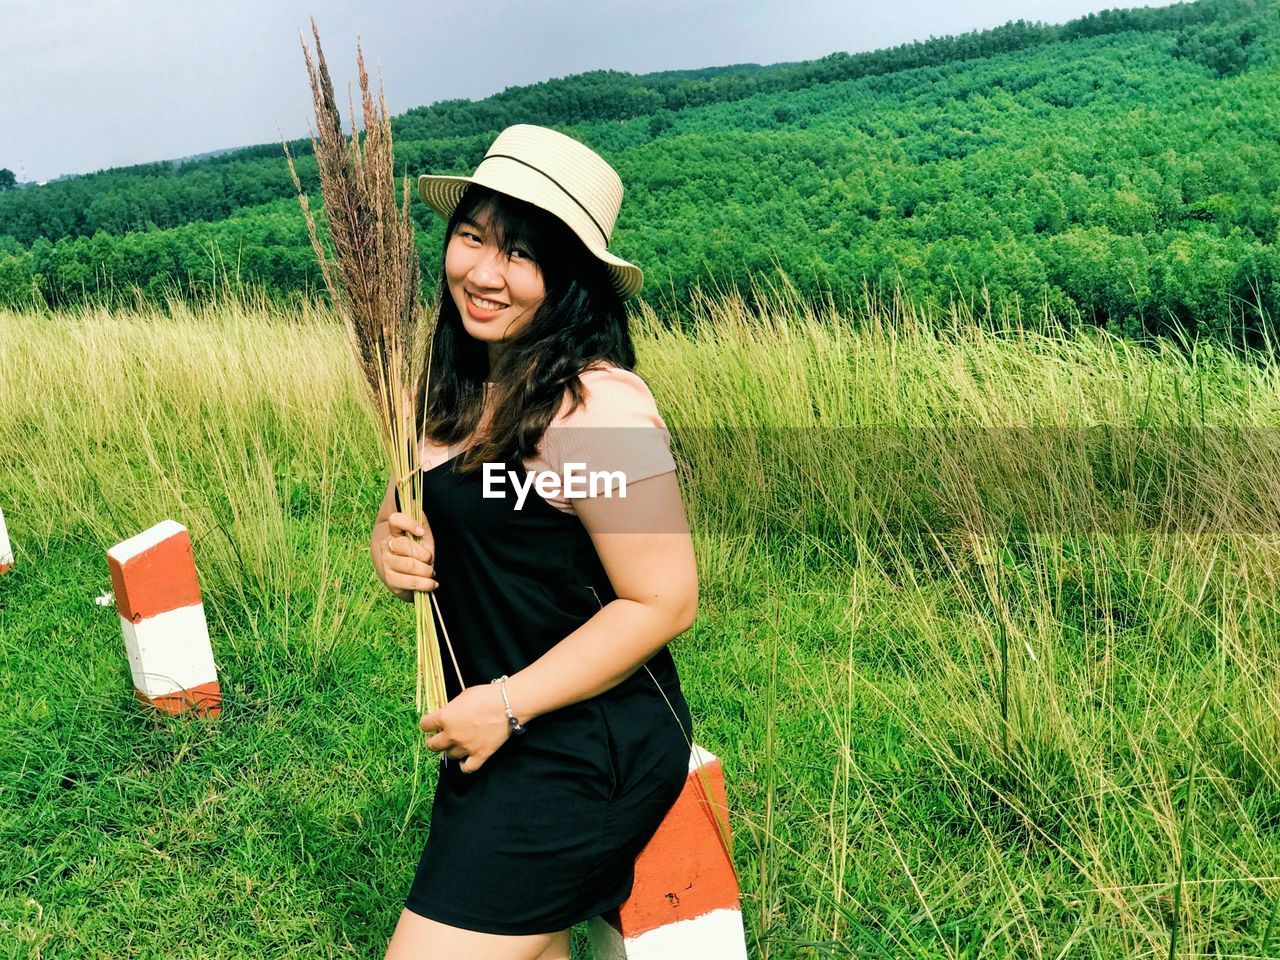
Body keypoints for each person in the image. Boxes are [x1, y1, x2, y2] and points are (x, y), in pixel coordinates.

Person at [368, 124, 697, 960]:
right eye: (471, 236)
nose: (483, 273)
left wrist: (506, 705)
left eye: (520, 254)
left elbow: (663, 599)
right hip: (490, 732)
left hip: (586, 739)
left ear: (569, 280)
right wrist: (388, 542)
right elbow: (425, 504)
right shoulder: (447, 383)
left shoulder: (596, 407)